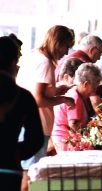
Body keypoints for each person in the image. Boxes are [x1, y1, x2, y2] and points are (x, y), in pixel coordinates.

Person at [16, 25, 76, 191]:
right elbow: (38, 99)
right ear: (58, 43)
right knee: (30, 175)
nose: (66, 52)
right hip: (37, 125)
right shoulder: (44, 63)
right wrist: (63, 99)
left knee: (26, 172)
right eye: (66, 46)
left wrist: (56, 90)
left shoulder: (34, 56)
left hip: (26, 122)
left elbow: (38, 90)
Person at [0, 36, 44, 191]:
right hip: (9, 168)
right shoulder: (23, 97)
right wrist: (16, 152)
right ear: (13, 63)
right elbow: (36, 138)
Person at [52, 63, 102, 151]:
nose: (95, 89)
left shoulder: (77, 93)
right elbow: (73, 125)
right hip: (64, 141)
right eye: (94, 86)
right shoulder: (75, 97)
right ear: (86, 84)